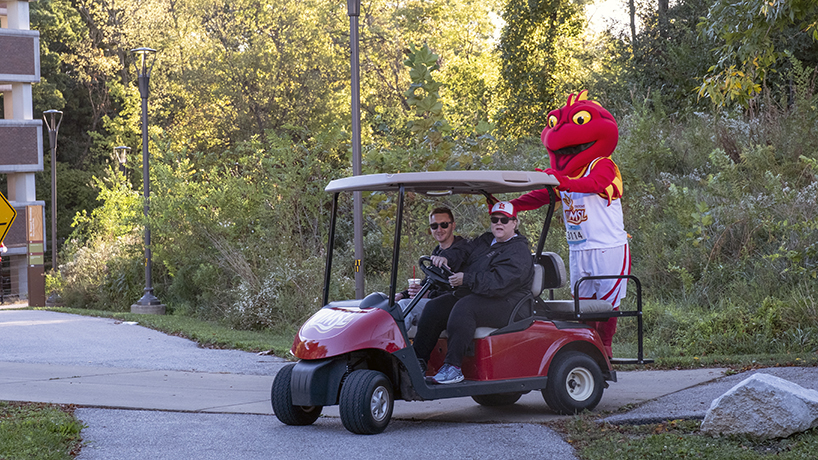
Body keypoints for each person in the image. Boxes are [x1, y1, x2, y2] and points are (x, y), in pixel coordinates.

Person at [510, 90, 629, 359]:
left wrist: (563, 181)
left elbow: (595, 185)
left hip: (607, 246)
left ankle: (605, 347)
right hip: (579, 248)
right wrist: (513, 205)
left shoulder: (602, 164)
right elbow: (544, 195)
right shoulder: (565, 175)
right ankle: (588, 349)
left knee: (608, 303)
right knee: (583, 304)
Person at [412, 201, 534, 384]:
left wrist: (466, 279)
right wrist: (446, 259)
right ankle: (417, 364)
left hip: (510, 303)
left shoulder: (518, 251)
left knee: (465, 308)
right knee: (434, 308)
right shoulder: (485, 241)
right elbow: (463, 251)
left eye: (504, 220)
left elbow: (498, 283)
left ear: (514, 223)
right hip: (482, 295)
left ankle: (453, 367)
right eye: (494, 219)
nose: (498, 223)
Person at [395, 207, 465, 328]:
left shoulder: (462, 250)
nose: (439, 230)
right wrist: (403, 294)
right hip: (435, 302)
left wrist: (429, 294)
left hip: (454, 306)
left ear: (453, 226)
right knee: (388, 302)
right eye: (434, 226)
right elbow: (429, 281)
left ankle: (391, 345)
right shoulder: (437, 252)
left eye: (444, 225)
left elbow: (457, 291)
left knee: (404, 306)